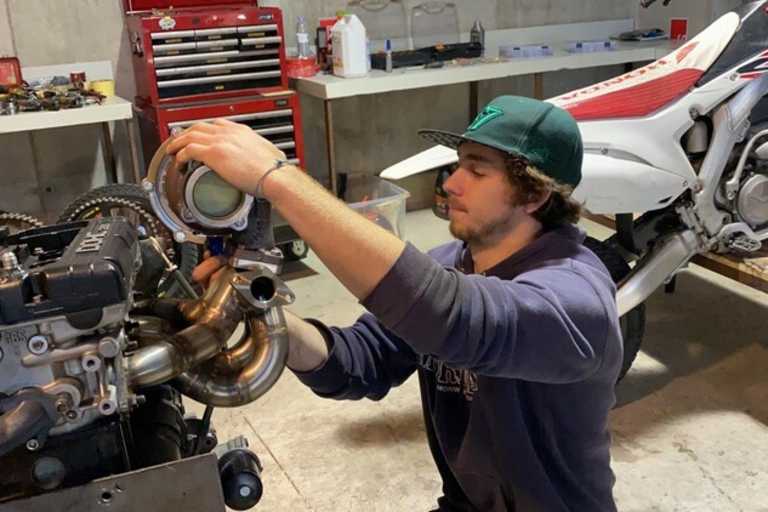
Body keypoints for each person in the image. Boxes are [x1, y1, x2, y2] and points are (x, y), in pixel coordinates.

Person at [170, 95, 623, 512]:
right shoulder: (451, 263)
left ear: (535, 194)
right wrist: (266, 314)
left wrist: (277, 179)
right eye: (458, 164)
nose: (452, 184)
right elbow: (360, 361)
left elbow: (454, 318)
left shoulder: (575, 297)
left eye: (478, 171)